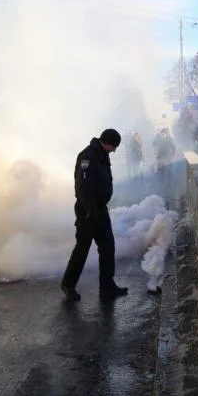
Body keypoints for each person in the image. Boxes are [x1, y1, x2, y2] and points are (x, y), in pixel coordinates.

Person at [61, 129, 127, 302]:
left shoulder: (102, 154)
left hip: (100, 208)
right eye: (114, 146)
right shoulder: (87, 156)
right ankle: (68, 285)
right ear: (107, 142)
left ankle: (107, 286)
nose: (114, 150)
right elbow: (82, 186)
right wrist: (90, 210)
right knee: (82, 248)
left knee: (107, 247)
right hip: (87, 210)